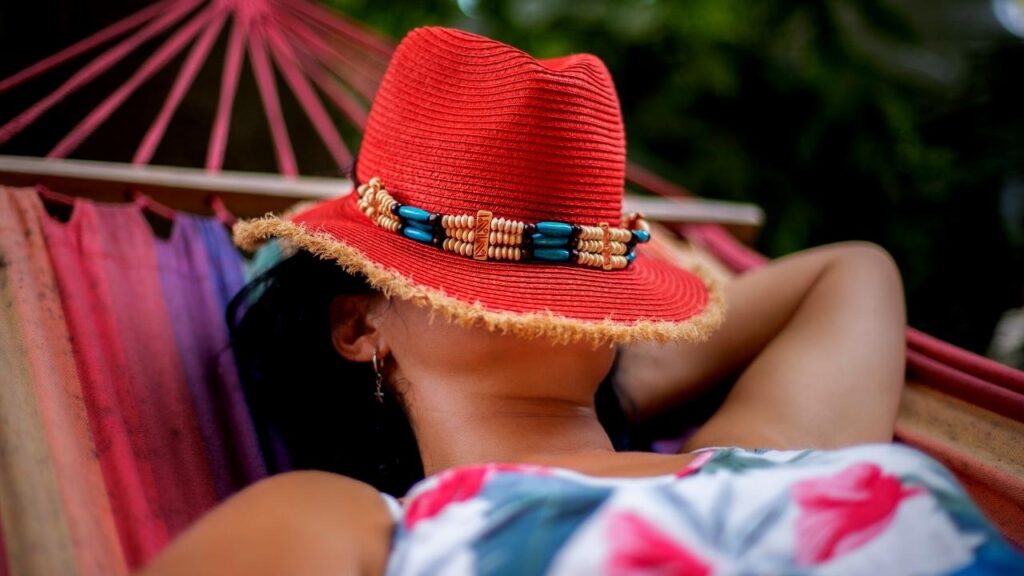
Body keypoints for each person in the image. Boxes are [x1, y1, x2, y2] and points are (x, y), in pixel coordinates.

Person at [141, 26, 1023, 575]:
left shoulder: (753, 456)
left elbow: (854, 272)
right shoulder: (340, 519)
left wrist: (612, 361)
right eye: (500, 245)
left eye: (562, 243)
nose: (546, 283)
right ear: (360, 325)